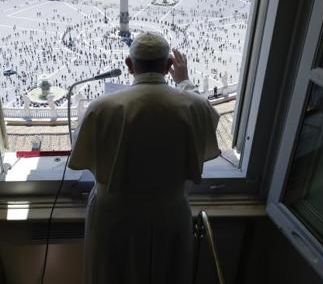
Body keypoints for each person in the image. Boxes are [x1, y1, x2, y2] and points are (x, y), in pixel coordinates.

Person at [68, 32, 220, 284]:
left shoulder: (100, 107)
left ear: (129, 65)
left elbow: (82, 152)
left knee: (110, 274)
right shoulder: (193, 106)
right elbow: (207, 124)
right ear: (169, 66)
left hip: (113, 217)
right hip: (169, 215)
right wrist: (184, 83)